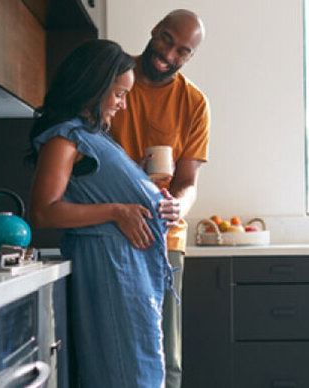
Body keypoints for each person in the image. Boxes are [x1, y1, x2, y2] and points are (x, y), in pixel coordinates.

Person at [27, 39, 172, 388]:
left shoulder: (94, 136)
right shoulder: (65, 139)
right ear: (94, 87)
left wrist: (158, 200)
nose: (122, 105)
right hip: (112, 274)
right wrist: (117, 210)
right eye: (119, 94)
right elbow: (44, 212)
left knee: (137, 373)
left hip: (130, 275)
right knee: (125, 376)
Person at [109, 9, 209, 388]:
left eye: (182, 51)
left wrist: (176, 207)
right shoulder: (113, 79)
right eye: (167, 39)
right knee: (112, 344)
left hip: (165, 240)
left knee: (165, 353)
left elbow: (188, 182)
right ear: (154, 30)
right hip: (109, 229)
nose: (169, 54)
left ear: (189, 57)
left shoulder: (194, 104)